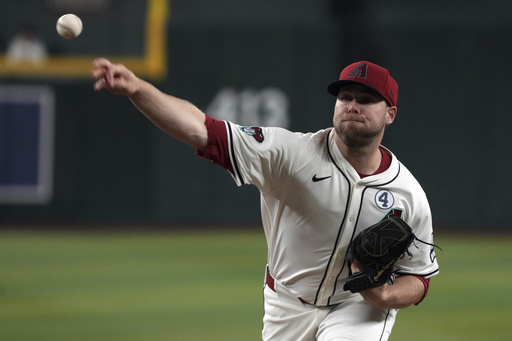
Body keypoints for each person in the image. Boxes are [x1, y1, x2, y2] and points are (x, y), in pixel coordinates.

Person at [90, 58, 439, 340]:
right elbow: (202, 130)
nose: (352, 106)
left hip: (356, 307)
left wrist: (385, 297)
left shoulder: (408, 196)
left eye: (366, 100)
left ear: (389, 114)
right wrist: (137, 89)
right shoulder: (291, 154)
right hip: (286, 303)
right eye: (345, 97)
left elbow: (419, 277)